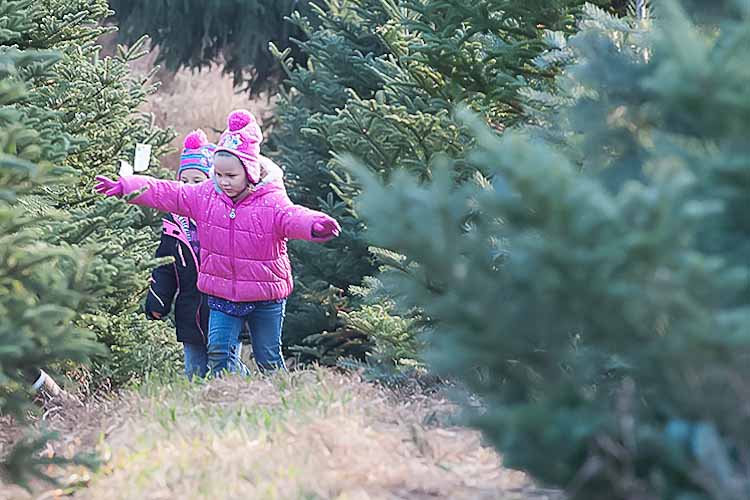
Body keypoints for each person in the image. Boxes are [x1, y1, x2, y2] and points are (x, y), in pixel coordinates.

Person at [95, 109, 340, 376]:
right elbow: (168, 192)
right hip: (222, 293)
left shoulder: (271, 199)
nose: (224, 182)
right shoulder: (206, 196)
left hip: (266, 295)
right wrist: (128, 186)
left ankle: (281, 400)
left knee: (267, 356)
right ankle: (224, 399)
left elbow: (292, 217)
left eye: (231, 176)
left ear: (250, 171)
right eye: (219, 175)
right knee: (219, 352)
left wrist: (315, 225)